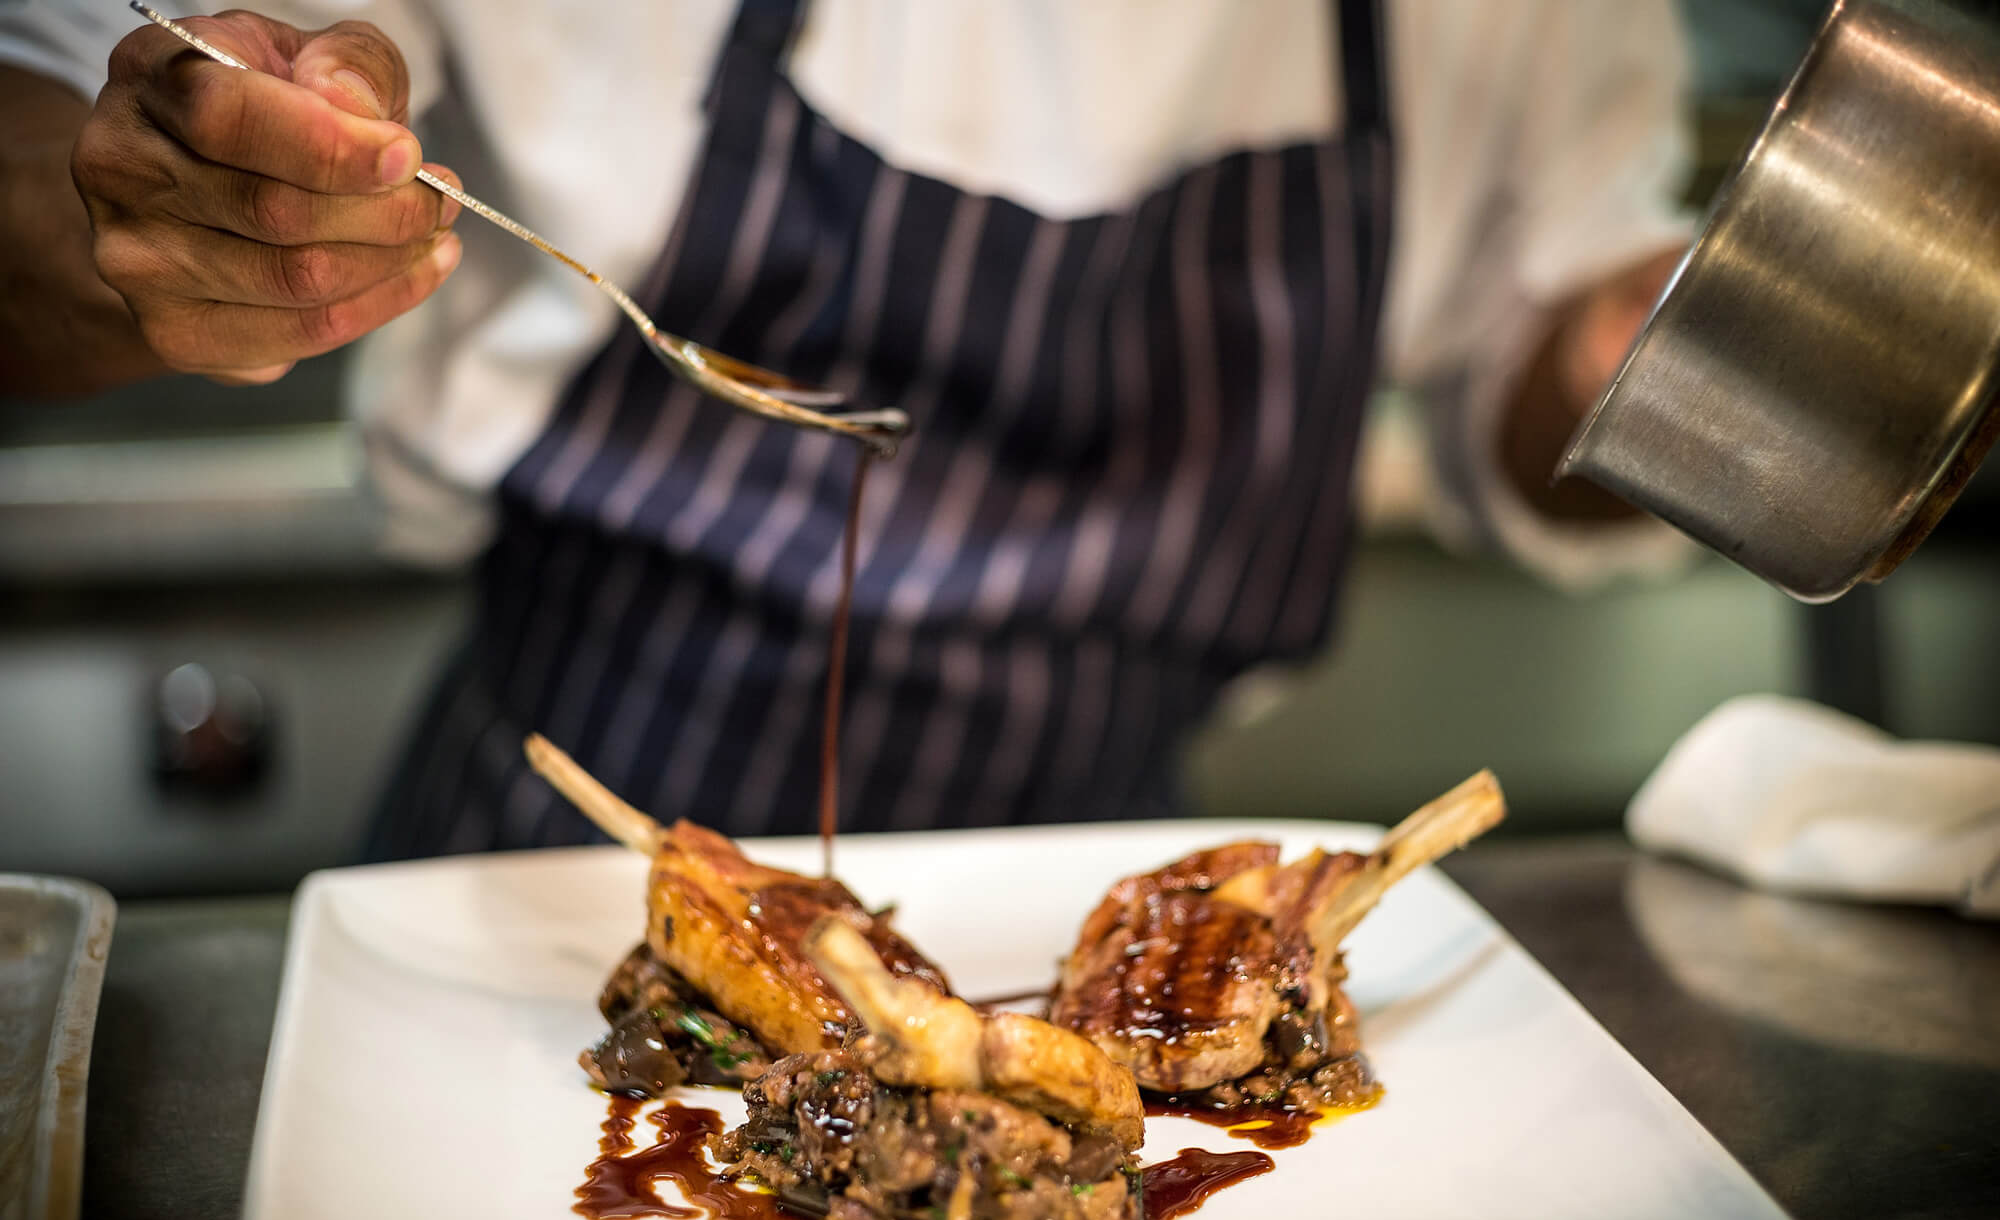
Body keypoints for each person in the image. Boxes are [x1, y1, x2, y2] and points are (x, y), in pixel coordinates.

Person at [0, 0, 1695, 856]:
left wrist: (1687, 377)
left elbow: (1540, 382)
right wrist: (177, 201)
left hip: (1106, 933)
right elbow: (64, 119)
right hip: (559, 856)